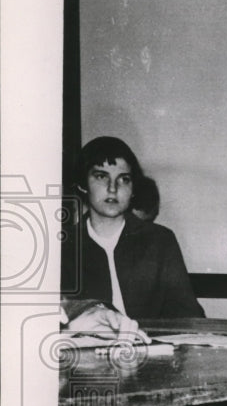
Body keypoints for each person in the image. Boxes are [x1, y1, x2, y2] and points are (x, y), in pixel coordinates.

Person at [62, 136, 204, 320]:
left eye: (124, 179)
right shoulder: (64, 246)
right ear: (83, 185)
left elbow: (188, 315)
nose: (112, 189)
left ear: (133, 189)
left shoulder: (160, 241)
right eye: (101, 176)